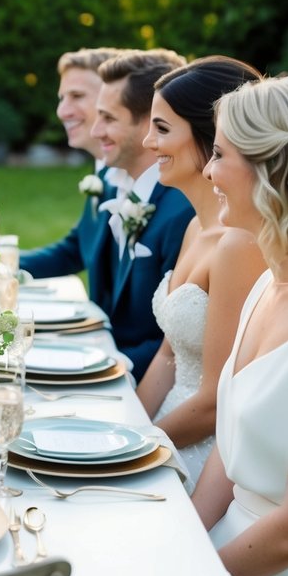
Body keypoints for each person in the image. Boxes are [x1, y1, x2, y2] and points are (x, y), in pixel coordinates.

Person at [189, 76, 288, 576]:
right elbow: (228, 441)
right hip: (226, 561)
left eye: (220, 154)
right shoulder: (264, 281)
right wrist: (178, 540)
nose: (206, 171)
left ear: (268, 171)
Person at [136, 58, 265, 489]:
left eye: (162, 128)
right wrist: (130, 428)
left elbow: (215, 402)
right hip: (164, 427)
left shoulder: (239, 243)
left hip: (202, 452)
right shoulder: (195, 227)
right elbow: (169, 355)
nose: (148, 141)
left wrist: (134, 452)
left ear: (208, 136)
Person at [84, 49, 194, 381]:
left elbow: (177, 342)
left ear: (149, 121)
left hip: (144, 379)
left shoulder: (183, 213)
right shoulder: (118, 185)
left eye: (108, 118)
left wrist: (97, 368)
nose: (95, 130)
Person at [21, 46, 121, 281]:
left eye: (77, 96)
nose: (62, 111)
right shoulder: (103, 170)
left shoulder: (138, 179)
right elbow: (75, 249)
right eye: (62, 98)